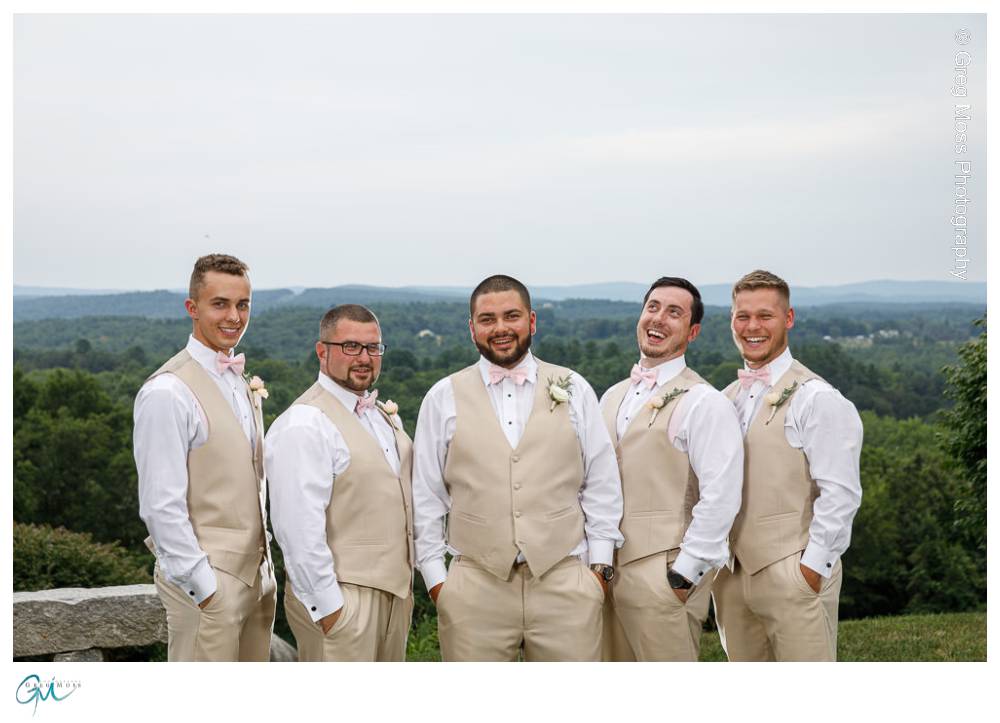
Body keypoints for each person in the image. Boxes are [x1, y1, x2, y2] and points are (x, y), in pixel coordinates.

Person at [412, 274, 624, 661]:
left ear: (532, 321)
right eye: (487, 319)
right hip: (474, 588)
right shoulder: (442, 397)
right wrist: (438, 583)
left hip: (566, 582)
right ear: (472, 327)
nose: (501, 328)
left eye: (511, 316)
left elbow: (601, 481)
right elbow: (426, 496)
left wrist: (599, 570)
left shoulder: (574, 387)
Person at [713, 269, 863, 662]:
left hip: (794, 575)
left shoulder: (817, 398)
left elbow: (841, 494)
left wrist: (811, 570)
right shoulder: (726, 398)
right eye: (742, 316)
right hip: (731, 578)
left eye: (765, 315)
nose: (752, 327)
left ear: (789, 319)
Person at [135, 253, 275, 662]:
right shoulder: (167, 392)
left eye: (243, 304)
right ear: (192, 308)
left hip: (258, 584)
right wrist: (205, 589)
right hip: (210, 590)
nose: (234, 316)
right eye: (220, 304)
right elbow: (161, 505)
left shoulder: (240, 380)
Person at [599, 277, 743, 661]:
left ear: (692, 332)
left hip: (663, 575)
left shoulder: (704, 402)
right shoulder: (612, 395)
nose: (658, 319)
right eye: (653, 307)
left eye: (674, 312)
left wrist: (683, 576)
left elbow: (721, 495)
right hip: (605, 576)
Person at [266, 304, 414, 661]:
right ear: (322, 351)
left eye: (373, 347)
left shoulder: (380, 417)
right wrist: (331, 609)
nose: (364, 357)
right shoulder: (305, 424)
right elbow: (297, 529)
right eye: (350, 347)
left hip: (395, 597)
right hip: (343, 604)